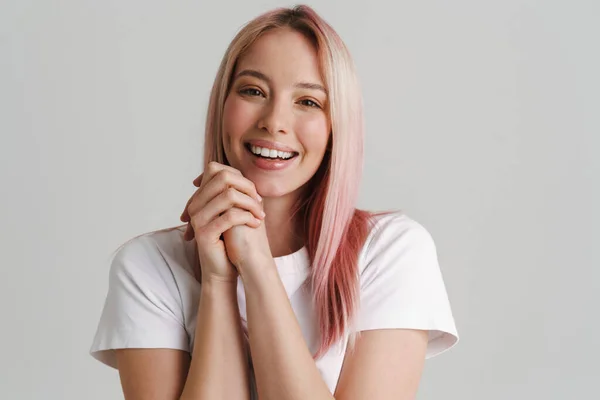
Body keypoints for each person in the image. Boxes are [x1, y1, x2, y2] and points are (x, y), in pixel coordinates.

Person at [90, 4, 458, 399]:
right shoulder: (149, 267)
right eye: (253, 91)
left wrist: (258, 264)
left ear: (338, 127)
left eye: (309, 102)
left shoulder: (391, 251)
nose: (274, 120)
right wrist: (218, 281)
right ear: (222, 105)